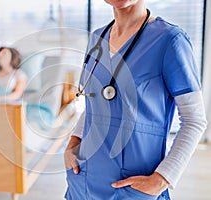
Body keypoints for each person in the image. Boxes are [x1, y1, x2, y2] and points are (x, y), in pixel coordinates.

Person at [64, 0, 207, 199]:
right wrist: (72, 143)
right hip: (83, 181)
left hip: (133, 189)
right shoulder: (97, 38)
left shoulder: (169, 41)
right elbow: (97, 102)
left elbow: (194, 120)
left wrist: (162, 179)